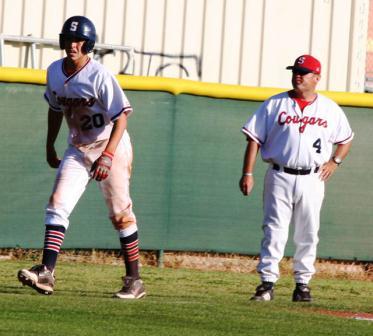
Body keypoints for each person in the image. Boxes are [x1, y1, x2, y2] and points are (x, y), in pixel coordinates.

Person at [17, 15, 145, 299]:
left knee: (121, 214)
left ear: (88, 44)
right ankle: (47, 273)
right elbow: (54, 109)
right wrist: (50, 144)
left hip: (110, 144)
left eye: (79, 40)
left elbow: (122, 117)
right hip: (77, 147)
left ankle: (134, 280)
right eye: (69, 39)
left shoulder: (99, 75)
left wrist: (109, 155)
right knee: (57, 205)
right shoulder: (53, 71)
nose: (73, 45)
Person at [239, 55, 353, 302]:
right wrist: (247, 173)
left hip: (313, 177)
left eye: (304, 72)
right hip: (279, 174)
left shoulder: (329, 108)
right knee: (274, 229)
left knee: (308, 231)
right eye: (296, 71)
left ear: (317, 78)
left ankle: (302, 284)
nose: (298, 75)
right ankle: (267, 283)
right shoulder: (275, 103)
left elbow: (346, 139)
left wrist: (335, 162)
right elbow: (254, 138)